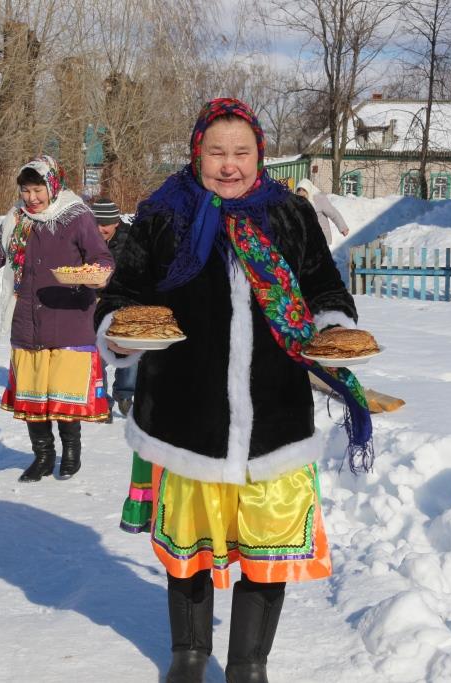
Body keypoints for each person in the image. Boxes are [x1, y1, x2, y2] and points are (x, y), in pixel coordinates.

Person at [95, 98, 373, 683]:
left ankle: (249, 664)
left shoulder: (288, 217)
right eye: (216, 152)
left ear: (259, 155)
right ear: (197, 153)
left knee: (266, 553)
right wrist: (120, 332)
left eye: (241, 152)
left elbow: (324, 284)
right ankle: (188, 655)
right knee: (191, 547)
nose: (229, 165)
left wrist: (332, 328)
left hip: (275, 416)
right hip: (185, 415)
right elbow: (124, 293)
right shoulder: (163, 215)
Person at [0, 155, 114, 482]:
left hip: (69, 319)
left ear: (53, 185)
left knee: (63, 394)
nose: (31, 198)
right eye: (26, 190)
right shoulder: (16, 219)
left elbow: (101, 258)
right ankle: (43, 456)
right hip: (27, 321)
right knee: (33, 397)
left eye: (37, 190)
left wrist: (97, 274)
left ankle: (71, 451)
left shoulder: (77, 217)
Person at [90, 197, 137, 418]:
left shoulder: (131, 240)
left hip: (125, 303)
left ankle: (125, 394)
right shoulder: (87, 239)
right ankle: (103, 401)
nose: (100, 230)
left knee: (128, 350)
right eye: (96, 224)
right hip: (97, 303)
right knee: (98, 352)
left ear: (115, 222)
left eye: (104, 224)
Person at [294, 177, 350, 246]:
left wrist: (343, 228)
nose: (301, 192)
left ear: (308, 190)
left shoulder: (319, 199)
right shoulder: (297, 202)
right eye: (299, 190)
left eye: (304, 190)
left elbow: (333, 213)